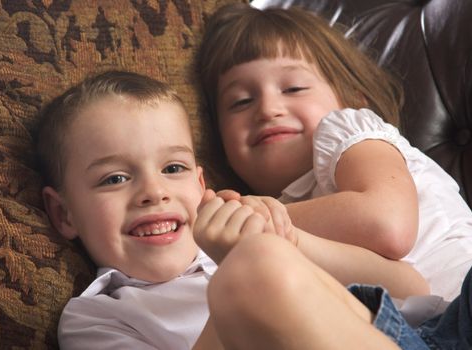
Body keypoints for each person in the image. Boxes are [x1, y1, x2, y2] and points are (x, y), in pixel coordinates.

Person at [36, 70, 431, 349]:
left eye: (173, 169)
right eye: (114, 179)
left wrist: (291, 242)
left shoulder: (253, 233)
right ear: (64, 214)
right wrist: (243, 275)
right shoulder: (96, 317)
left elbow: (413, 291)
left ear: (201, 185)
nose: (153, 192)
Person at [195, 2, 472, 302]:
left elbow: (387, 224)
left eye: (294, 88)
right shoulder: (281, 221)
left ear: (352, 98)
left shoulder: (348, 130)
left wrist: (251, 218)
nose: (268, 109)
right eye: (241, 101)